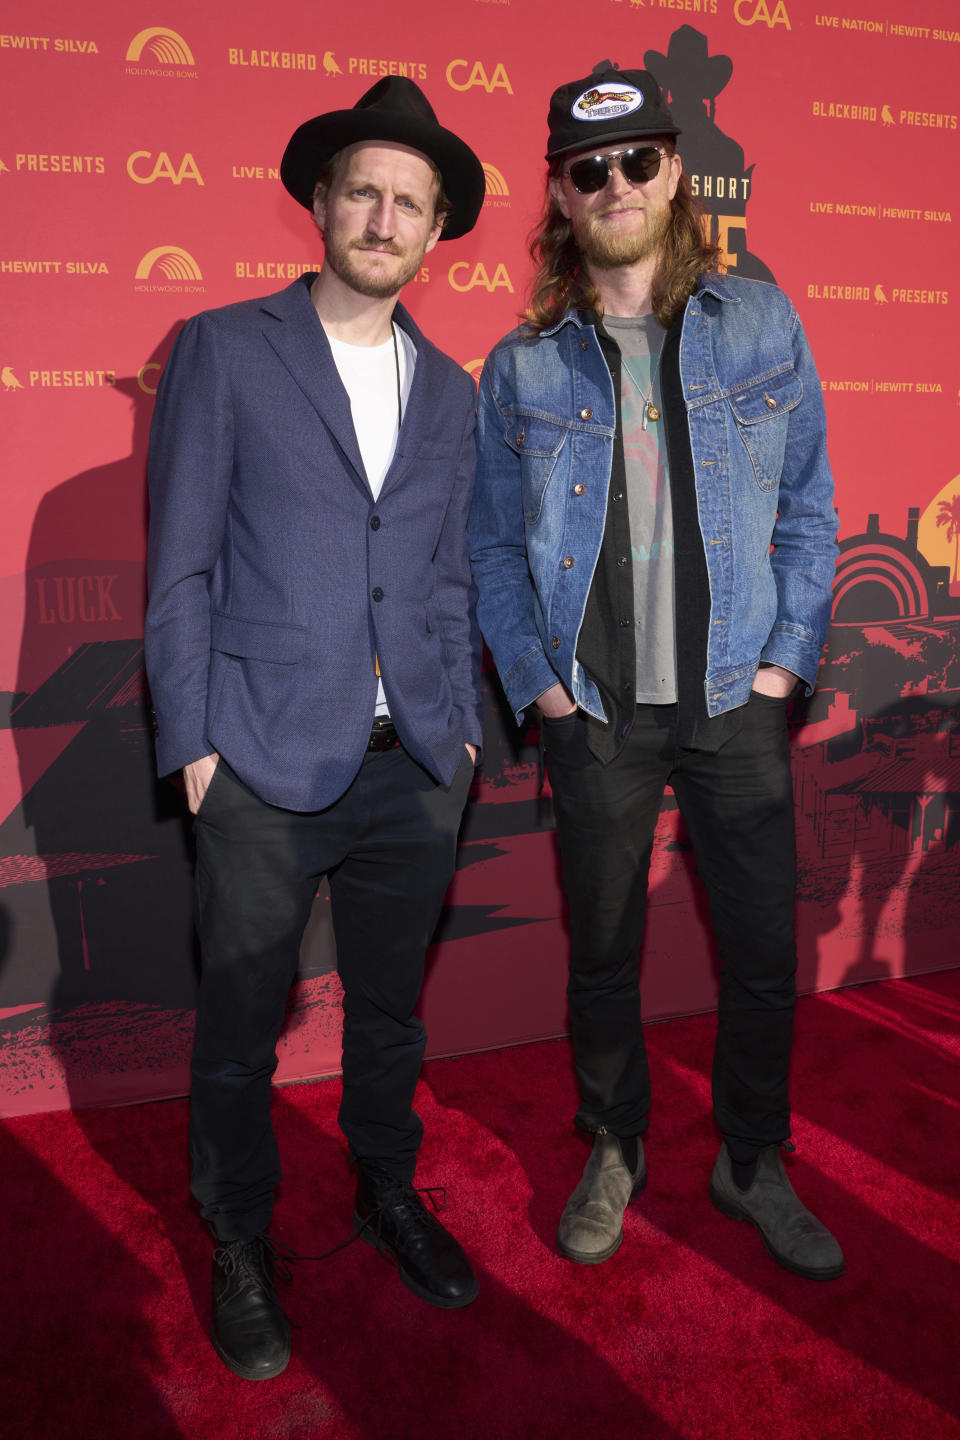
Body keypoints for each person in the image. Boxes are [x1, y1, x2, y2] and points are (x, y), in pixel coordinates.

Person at [469, 61, 844, 1280]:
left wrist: (787, 666)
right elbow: (488, 546)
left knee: (765, 953)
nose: (615, 182)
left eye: (636, 159)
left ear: (676, 172)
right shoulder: (521, 366)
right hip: (600, 709)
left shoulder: (762, 321)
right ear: (563, 197)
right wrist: (543, 688)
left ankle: (750, 1160)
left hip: (739, 700)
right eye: (590, 169)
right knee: (605, 948)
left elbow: (807, 510)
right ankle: (615, 1142)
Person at [145, 77, 486, 1381]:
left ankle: (384, 1191)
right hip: (260, 758)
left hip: (415, 770)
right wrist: (195, 750)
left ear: (435, 228)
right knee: (239, 1033)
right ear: (323, 202)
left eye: (410, 200)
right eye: (363, 189)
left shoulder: (454, 392)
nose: (382, 215)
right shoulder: (228, 349)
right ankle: (239, 1239)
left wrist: (454, 737)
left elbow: (448, 576)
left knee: (392, 1016)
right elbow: (180, 565)